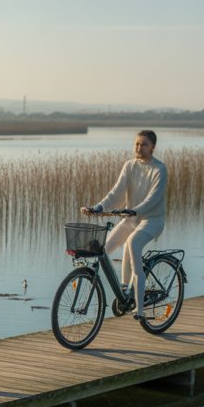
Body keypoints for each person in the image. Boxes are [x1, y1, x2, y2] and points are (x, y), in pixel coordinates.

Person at [82, 129, 168, 321]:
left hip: (152, 221)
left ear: (152, 147)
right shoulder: (129, 166)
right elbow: (116, 193)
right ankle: (124, 291)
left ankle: (139, 309)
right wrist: (98, 207)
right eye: (137, 144)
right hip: (130, 219)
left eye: (144, 144)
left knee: (132, 243)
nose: (139, 147)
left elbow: (153, 199)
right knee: (102, 249)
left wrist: (135, 210)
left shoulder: (159, 169)